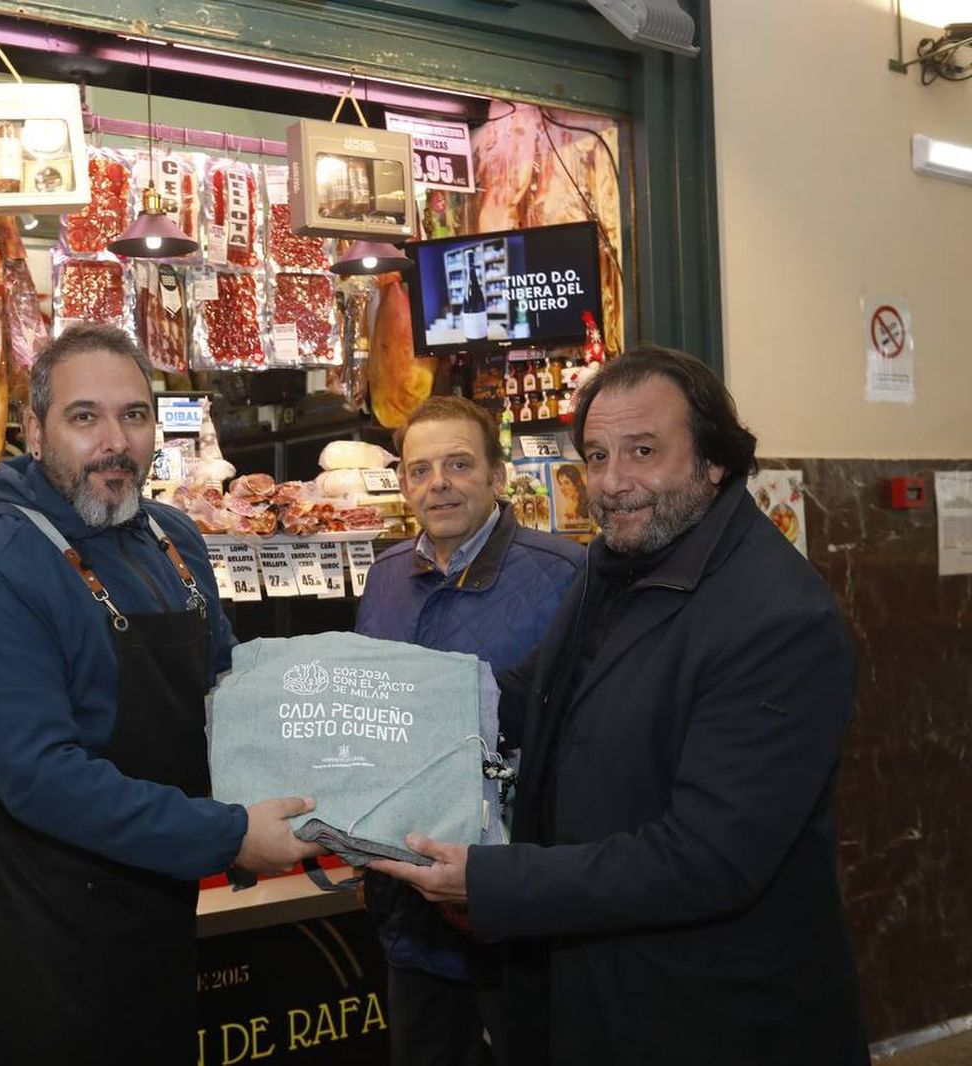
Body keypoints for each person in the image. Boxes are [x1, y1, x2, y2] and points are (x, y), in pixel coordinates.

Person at [371, 346, 867, 1066]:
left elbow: (707, 859)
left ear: (715, 460)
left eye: (643, 451)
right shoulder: (616, 564)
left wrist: (491, 880)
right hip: (602, 994)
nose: (613, 482)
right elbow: (520, 698)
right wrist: (370, 718)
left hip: (721, 1018)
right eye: (597, 456)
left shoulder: (778, 618)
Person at [0, 323, 322, 1066]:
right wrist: (230, 834)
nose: (115, 441)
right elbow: (42, 781)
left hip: (161, 907)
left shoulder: (175, 539)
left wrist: (339, 771)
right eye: (85, 417)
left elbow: (225, 695)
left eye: (134, 415)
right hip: (47, 929)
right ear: (35, 430)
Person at [356, 395, 582, 1066]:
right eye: (420, 470)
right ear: (402, 483)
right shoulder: (386, 576)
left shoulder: (564, 575)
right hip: (407, 898)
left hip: (511, 896)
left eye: (458, 464)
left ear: (497, 475)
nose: (439, 484)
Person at [551, 463, 590, 530]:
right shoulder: (572, 504)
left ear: (577, 482)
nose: (562, 488)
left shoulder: (587, 502)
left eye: (567, 483)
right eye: (560, 483)